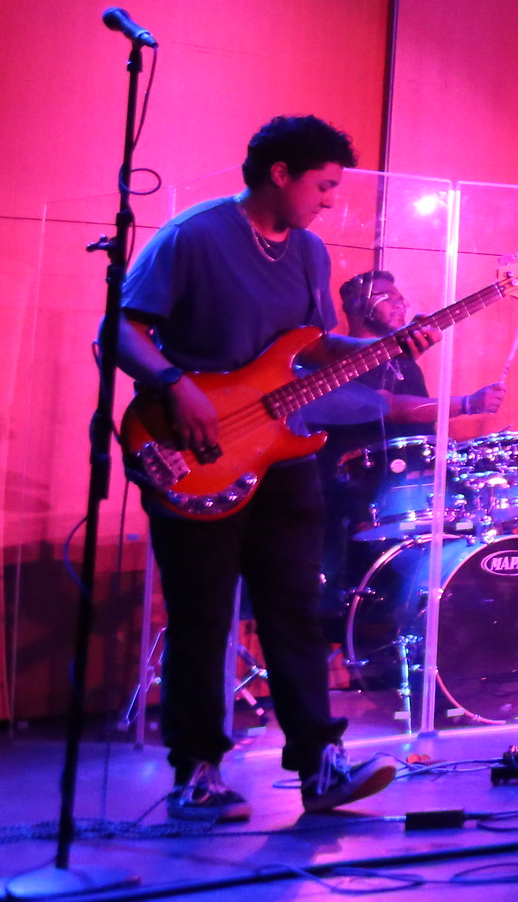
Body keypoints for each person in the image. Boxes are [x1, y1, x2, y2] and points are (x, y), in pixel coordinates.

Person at [113, 115, 400, 823]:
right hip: (196, 451)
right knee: (203, 617)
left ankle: (319, 763)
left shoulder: (308, 251)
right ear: (281, 173)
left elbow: (304, 344)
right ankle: (198, 771)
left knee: (297, 611)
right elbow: (117, 326)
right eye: (323, 184)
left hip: (284, 451)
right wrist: (174, 384)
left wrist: (376, 344)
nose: (330, 199)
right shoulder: (194, 234)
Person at [302, 271, 506, 609]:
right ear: (357, 307)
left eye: (402, 297)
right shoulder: (344, 361)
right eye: (387, 296)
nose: (401, 303)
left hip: (403, 494)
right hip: (358, 498)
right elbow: (389, 406)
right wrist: (467, 404)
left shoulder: (404, 364)